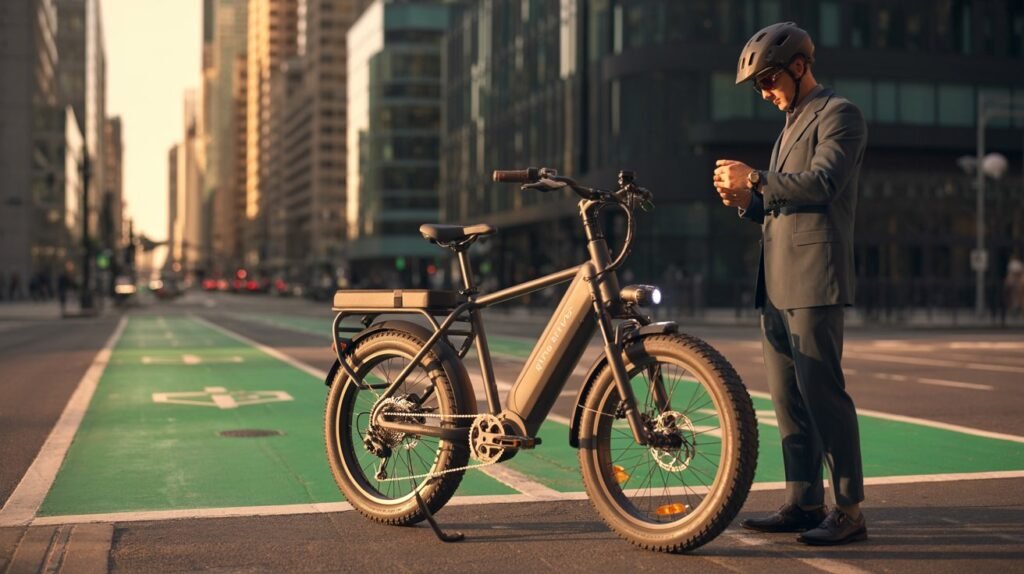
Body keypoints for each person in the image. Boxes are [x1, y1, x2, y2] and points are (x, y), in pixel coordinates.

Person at [712, 22, 868, 546]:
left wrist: (755, 178)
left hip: (814, 280)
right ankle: (804, 501)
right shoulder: (787, 127)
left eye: (769, 79)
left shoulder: (840, 114)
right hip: (775, 284)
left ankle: (849, 510)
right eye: (759, 85)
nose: (765, 92)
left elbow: (823, 185)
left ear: (800, 66)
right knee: (787, 400)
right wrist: (747, 204)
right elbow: (783, 207)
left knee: (824, 395)